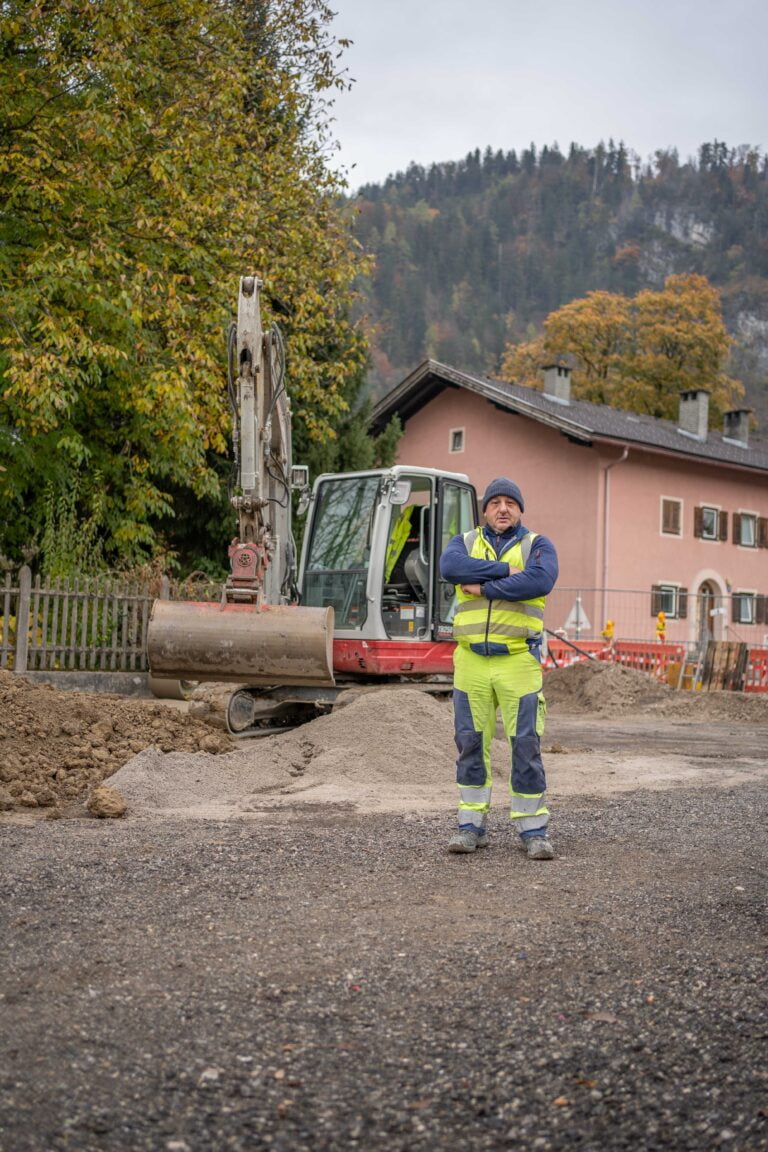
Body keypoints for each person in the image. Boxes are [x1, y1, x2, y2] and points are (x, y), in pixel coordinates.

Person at [439, 477, 559, 860]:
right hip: (470, 662)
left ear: (520, 510)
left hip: (517, 662)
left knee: (525, 745)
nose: (503, 508)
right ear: (485, 509)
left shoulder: (537, 545)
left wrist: (485, 586)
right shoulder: (464, 542)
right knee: (470, 744)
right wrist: (506, 571)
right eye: (495, 503)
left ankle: (533, 830)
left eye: (510, 502)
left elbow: (540, 579)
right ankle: (470, 826)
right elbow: (450, 566)